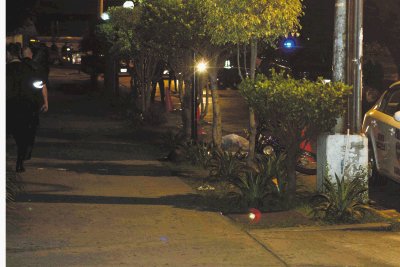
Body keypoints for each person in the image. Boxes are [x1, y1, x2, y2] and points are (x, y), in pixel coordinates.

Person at [6, 44, 48, 172]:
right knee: (23, 135)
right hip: (26, 105)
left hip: (8, 105)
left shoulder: (6, 69)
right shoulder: (29, 68)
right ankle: (20, 162)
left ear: (8, 54)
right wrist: (42, 101)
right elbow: (39, 85)